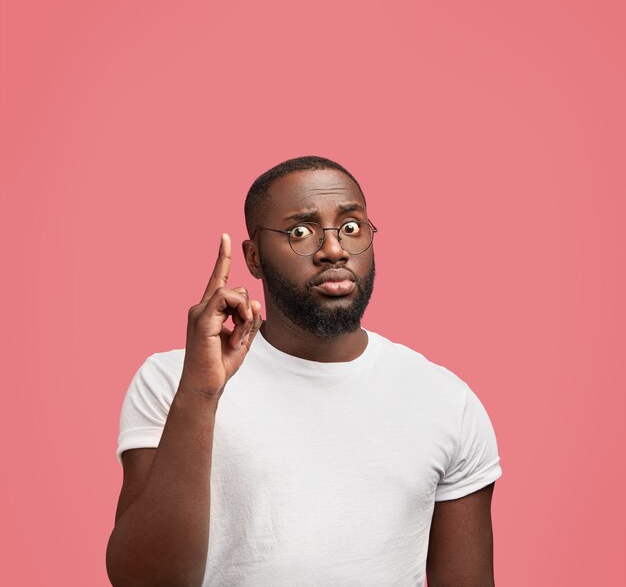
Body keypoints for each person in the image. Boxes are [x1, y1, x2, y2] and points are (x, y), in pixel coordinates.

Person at [106, 156, 502, 587]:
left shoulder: (445, 400)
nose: (333, 249)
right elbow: (141, 581)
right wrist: (200, 395)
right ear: (253, 257)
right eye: (301, 232)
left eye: (351, 227)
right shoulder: (171, 382)